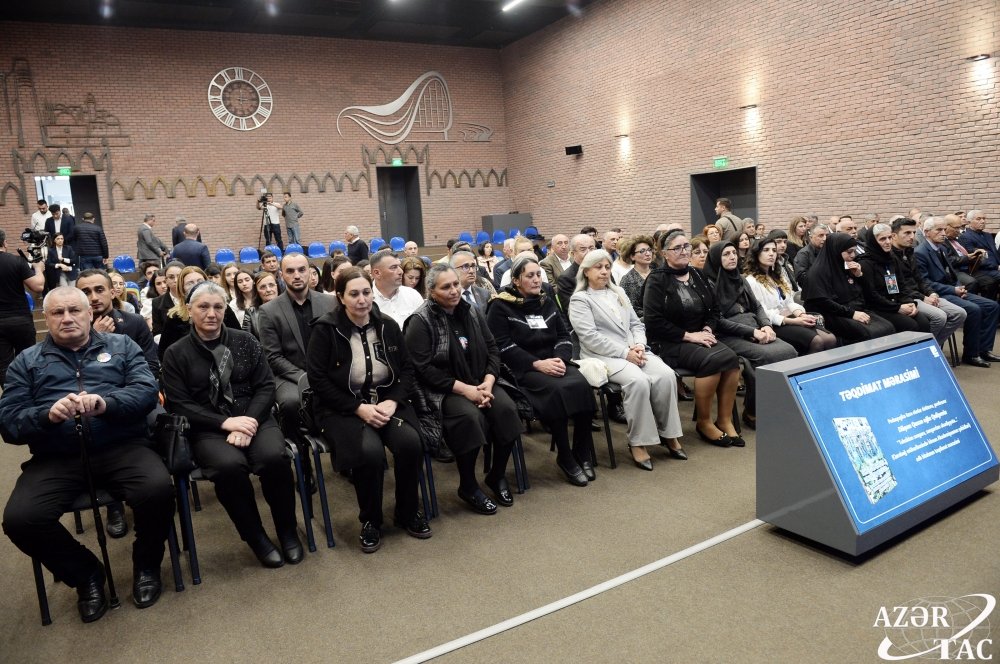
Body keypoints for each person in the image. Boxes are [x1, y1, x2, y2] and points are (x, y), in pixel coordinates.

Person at [1, 287, 174, 621]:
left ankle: (146, 565)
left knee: (157, 491)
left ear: (89, 314)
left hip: (122, 446)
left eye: (74, 310)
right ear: (45, 318)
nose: (67, 318)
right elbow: (9, 423)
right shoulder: (26, 361)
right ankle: (86, 575)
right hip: (57, 456)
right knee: (21, 520)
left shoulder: (122, 346)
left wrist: (107, 403)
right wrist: (46, 416)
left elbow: (146, 392)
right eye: (57, 312)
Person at [162, 282, 302, 567]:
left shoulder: (245, 340)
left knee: (274, 458)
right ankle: (256, 537)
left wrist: (248, 422)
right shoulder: (176, 353)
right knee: (228, 468)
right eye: (203, 307)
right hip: (208, 426)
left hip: (254, 417)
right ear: (189, 309)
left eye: (218, 307)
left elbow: (265, 386)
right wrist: (227, 423)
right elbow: (179, 404)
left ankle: (287, 531)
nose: (211, 313)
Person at [305, 268, 429, 552]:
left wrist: (393, 401)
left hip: (386, 402)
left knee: (410, 444)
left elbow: (407, 370)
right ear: (340, 297)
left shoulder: (387, 325)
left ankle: (407, 512)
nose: (362, 300)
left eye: (365, 293)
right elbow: (318, 381)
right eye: (353, 294)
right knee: (369, 453)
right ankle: (371, 520)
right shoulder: (325, 330)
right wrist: (358, 408)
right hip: (342, 407)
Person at [406, 265, 521, 513]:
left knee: (507, 410)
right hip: (444, 390)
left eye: (456, 284)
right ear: (431, 291)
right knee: (470, 418)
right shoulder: (420, 320)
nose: (454, 291)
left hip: (481, 381)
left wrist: (489, 380)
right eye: (446, 287)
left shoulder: (471, 311)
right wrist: (466, 390)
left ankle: (496, 475)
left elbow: (492, 348)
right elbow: (423, 370)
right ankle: (468, 486)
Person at [570, 249, 685, 468]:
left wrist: (639, 344)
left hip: (634, 349)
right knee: (638, 381)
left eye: (607, 267)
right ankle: (638, 442)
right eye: (598, 267)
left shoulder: (619, 292)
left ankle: (668, 434)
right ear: (586, 272)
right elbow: (590, 337)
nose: (604, 271)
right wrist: (625, 353)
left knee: (666, 375)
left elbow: (636, 324)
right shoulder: (580, 299)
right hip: (602, 356)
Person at [488, 255, 597, 484]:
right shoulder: (500, 305)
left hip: (554, 362)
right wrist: (536, 364)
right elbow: (502, 346)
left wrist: (560, 358)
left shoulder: (546, 301)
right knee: (557, 392)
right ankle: (565, 457)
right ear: (516, 280)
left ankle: (582, 451)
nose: (537, 279)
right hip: (523, 369)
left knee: (582, 386)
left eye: (538, 275)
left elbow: (563, 335)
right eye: (530, 276)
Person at [77, 268, 162, 538]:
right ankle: (113, 504)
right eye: (85, 292)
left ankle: (151, 489)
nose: (93, 297)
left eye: (99, 289)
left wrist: (125, 395)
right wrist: (93, 336)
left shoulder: (134, 323)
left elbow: (151, 367)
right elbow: (74, 379)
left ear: (112, 292)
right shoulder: (72, 330)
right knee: (94, 432)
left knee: (160, 422)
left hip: (134, 397)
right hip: (93, 405)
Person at [643, 230, 743, 447]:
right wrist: (689, 336)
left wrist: (707, 328)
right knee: (713, 360)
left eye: (686, 246)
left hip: (701, 336)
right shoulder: (657, 279)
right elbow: (653, 322)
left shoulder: (697, 274)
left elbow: (714, 310)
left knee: (732, 359)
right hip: (670, 341)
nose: (684, 251)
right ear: (664, 253)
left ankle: (724, 420)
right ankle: (704, 422)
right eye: (677, 248)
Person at [257, 254, 338, 487]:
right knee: (291, 403)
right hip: (289, 375)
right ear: (281, 275)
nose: (297, 275)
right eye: (290, 271)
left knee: (346, 394)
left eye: (301, 269)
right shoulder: (269, 310)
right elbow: (273, 356)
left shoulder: (330, 302)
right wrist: (305, 378)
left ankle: (344, 456)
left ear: (310, 272)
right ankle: (302, 461)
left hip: (327, 371)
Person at [702, 242, 797, 429]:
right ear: (715, 259)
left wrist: (766, 325)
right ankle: (753, 410)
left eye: (733, 253)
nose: (732, 257)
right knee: (766, 356)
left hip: (754, 327)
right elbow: (717, 321)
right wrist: (751, 332)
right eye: (726, 254)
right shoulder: (708, 284)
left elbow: (757, 306)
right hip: (727, 334)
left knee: (790, 351)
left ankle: (778, 406)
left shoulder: (740, 278)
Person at [915, 217, 1000, 367]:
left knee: (992, 306)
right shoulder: (920, 253)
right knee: (974, 309)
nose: (944, 233)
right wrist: (953, 289)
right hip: (938, 294)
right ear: (927, 232)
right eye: (939, 230)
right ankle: (971, 354)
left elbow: (952, 274)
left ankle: (984, 349)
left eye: (944, 229)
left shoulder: (941, 248)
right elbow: (925, 283)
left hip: (951, 291)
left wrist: (959, 287)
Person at [744, 238, 836, 356]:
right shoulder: (751, 281)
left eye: (774, 250)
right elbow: (762, 312)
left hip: (791, 317)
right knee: (817, 341)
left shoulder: (778, 276)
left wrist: (801, 315)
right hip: (773, 324)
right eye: (766, 250)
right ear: (756, 254)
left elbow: (789, 302)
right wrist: (794, 321)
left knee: (830, 339)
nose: (771, 254)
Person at [802, 232, 895, 344]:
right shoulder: (817, 273)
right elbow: (823, 301)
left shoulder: (845, 266)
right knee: (867, 333)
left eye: (854, 251)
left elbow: (867, 293)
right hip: (831, 314)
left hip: (853, 309)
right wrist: (852, 314)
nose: (853, 255)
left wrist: (859, 275)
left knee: (888, 327)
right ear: (836, 251)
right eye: (849, 252)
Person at [890, 217, 967, 348]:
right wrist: (923, 297)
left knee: (960, 313)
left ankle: (933, 347)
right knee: (939, 317)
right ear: (894, 236)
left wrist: (931, 293)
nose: (912, 237)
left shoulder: (909, 252)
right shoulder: (890, 256)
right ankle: (924, 349)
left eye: (913, 233)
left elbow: (920, 279)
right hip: (908, 298)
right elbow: (900, 286)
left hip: (921, 294)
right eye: (907, 233)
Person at [858, 224, 931, 334]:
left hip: (896, 302)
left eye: (889, 237)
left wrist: (910, 303)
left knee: (923, 322)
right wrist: (897, 308)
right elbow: (872, 295)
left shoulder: (891, 258)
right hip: (879, 308)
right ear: (873, 242)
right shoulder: (865, 263)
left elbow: (902, 285)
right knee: (910, 325)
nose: (888, 242)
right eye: (882, 239)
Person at [157, 266, 240, 362]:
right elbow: (164, 353)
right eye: (190, 283)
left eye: (200, 281)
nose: (196, 286)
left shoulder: (223, 309)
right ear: (182, 289)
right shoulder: (175, 317)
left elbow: (238, 339)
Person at [0, 229, 44, 385]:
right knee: (28, 359)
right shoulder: (16, 261)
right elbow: (38, 286)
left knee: (3, 365)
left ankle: (11, 395)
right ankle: (30, 391)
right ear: (5, 243)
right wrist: (38, 268)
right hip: (20, 320)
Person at [370, 249, 424, 328]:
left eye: (399, 266)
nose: (401, 271)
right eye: (393, 267)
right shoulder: (366, 300)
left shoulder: (412, 295)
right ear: (377, 273)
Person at [556, 233, 597, 315]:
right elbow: (571, 310)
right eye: (583, 249)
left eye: (591, 248)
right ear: (572, 254)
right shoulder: (566, 278)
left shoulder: (603, 271)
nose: (589, 253)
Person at [618, 234, 655, 318]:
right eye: (642, 251)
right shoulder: (628, 279)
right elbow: (631, 309)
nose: (648, 254)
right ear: (632, 256)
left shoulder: (658, 273)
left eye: (649, 250)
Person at [793, 223, 829, 288]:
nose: (825, 238)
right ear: (811, 237)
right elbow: (801, 278)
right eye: (821, 236)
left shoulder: (829, 251)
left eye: (827, 235)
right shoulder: (803, 254)